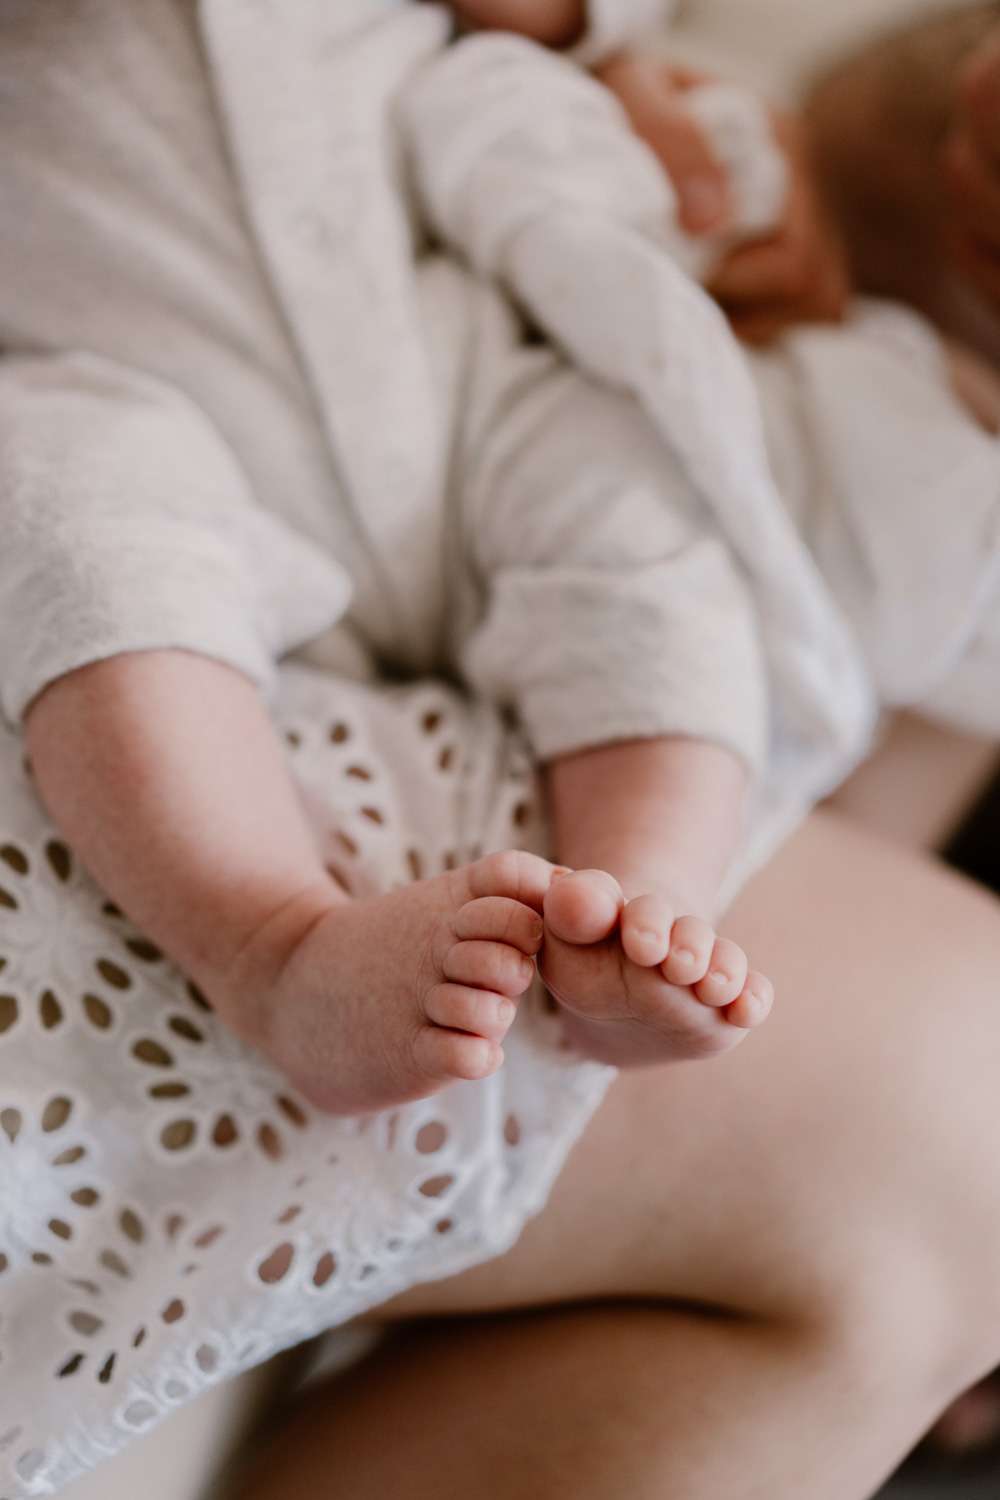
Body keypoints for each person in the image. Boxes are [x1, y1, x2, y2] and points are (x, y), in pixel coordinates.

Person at [3, 6, 1000, 1500]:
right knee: (83, 515)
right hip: (135, 372)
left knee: (661, 576)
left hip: (456, 357)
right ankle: (271, 942)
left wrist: (591, 49)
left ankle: (642, 909)